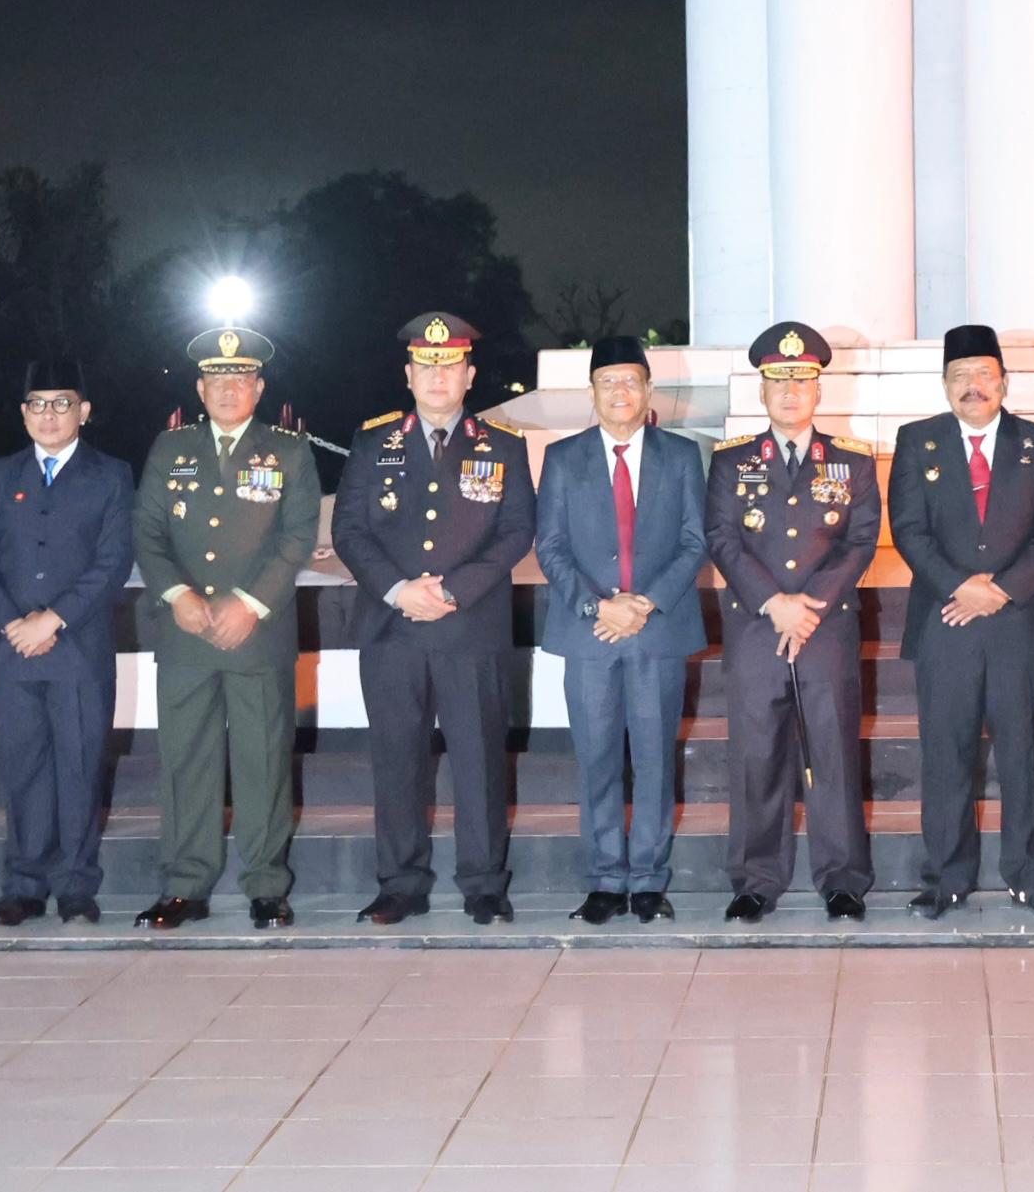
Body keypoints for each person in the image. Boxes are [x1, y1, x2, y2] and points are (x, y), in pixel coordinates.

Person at [331, 311, 538, 926]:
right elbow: (350, 529)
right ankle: (400, 882)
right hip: (392, 629)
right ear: (408, 374)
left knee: (479, 759)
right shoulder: (373, 443)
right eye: (427, 366)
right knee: (396, 760)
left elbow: (516, 531)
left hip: (469, 626)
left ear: (469, 375)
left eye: (450, 367)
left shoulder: (502, 446)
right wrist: (399, 590)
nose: (438, 377)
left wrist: (451, 591)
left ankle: (483, 883)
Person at [129, 325, 320, 930]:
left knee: (264, 759)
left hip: (257, 634)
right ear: (200, 387)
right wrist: (179, 595)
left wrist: (249, 603)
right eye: (217, 378)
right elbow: (148, 533)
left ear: (258, 387)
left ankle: (266, 884)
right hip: (185, 632)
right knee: (186, 761)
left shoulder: (288, 450)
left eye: (240, 378)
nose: (228, 388)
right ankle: (186, 884)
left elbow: (297, 537)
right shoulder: (169, 450)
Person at [889, 324, 1034, 918]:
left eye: (984, 376)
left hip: (1015, 622)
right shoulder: (917, 442)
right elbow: (908, 530)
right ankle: (945, 878)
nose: (973, 387)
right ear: (944, 385)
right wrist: (960, 585)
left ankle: (1031, 877)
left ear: (1004, 382)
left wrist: (1001, 590)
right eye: (961, 377)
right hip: (945, 622)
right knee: (946, 757)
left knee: (1023, 756)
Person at [706, 321, 877, 922]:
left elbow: (860, 543)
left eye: (801, 380)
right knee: (757, 755)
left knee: (832, 753)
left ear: (818, 390)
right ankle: (756, 879)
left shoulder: (852, 462)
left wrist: (809, 606)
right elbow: (722, 539)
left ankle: (843, 879)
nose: (789, 392)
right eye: (777, 381)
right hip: (757, 627)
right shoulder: (732, 462)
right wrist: (773, 602)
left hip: (826, 628)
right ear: (762, 392)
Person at [534, 335, 707, 923]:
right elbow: (550, 545)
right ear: (592, 392)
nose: (620, 391)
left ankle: (650, 880)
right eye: (608, 382)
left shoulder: (681, 456)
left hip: (657, 632)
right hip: (589, 635)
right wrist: (596, 607)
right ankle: (606, 878)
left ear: (649, 390)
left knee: (657, 760)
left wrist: (647, 602)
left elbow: (693, 540)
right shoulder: (563, 457)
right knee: (598, 758)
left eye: (631, 380)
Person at [0, 360, 134, 925]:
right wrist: (15, 625)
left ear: (84, 412)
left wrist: (52, 620)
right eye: (38, 404)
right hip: (11, 649)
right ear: (22, 413)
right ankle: (24, 885)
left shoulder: (111, 476)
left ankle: (77, 886)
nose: (49, 415)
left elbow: (112, 562)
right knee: (23, 766)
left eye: (62, 403)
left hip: (79, 649)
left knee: (80, 766)